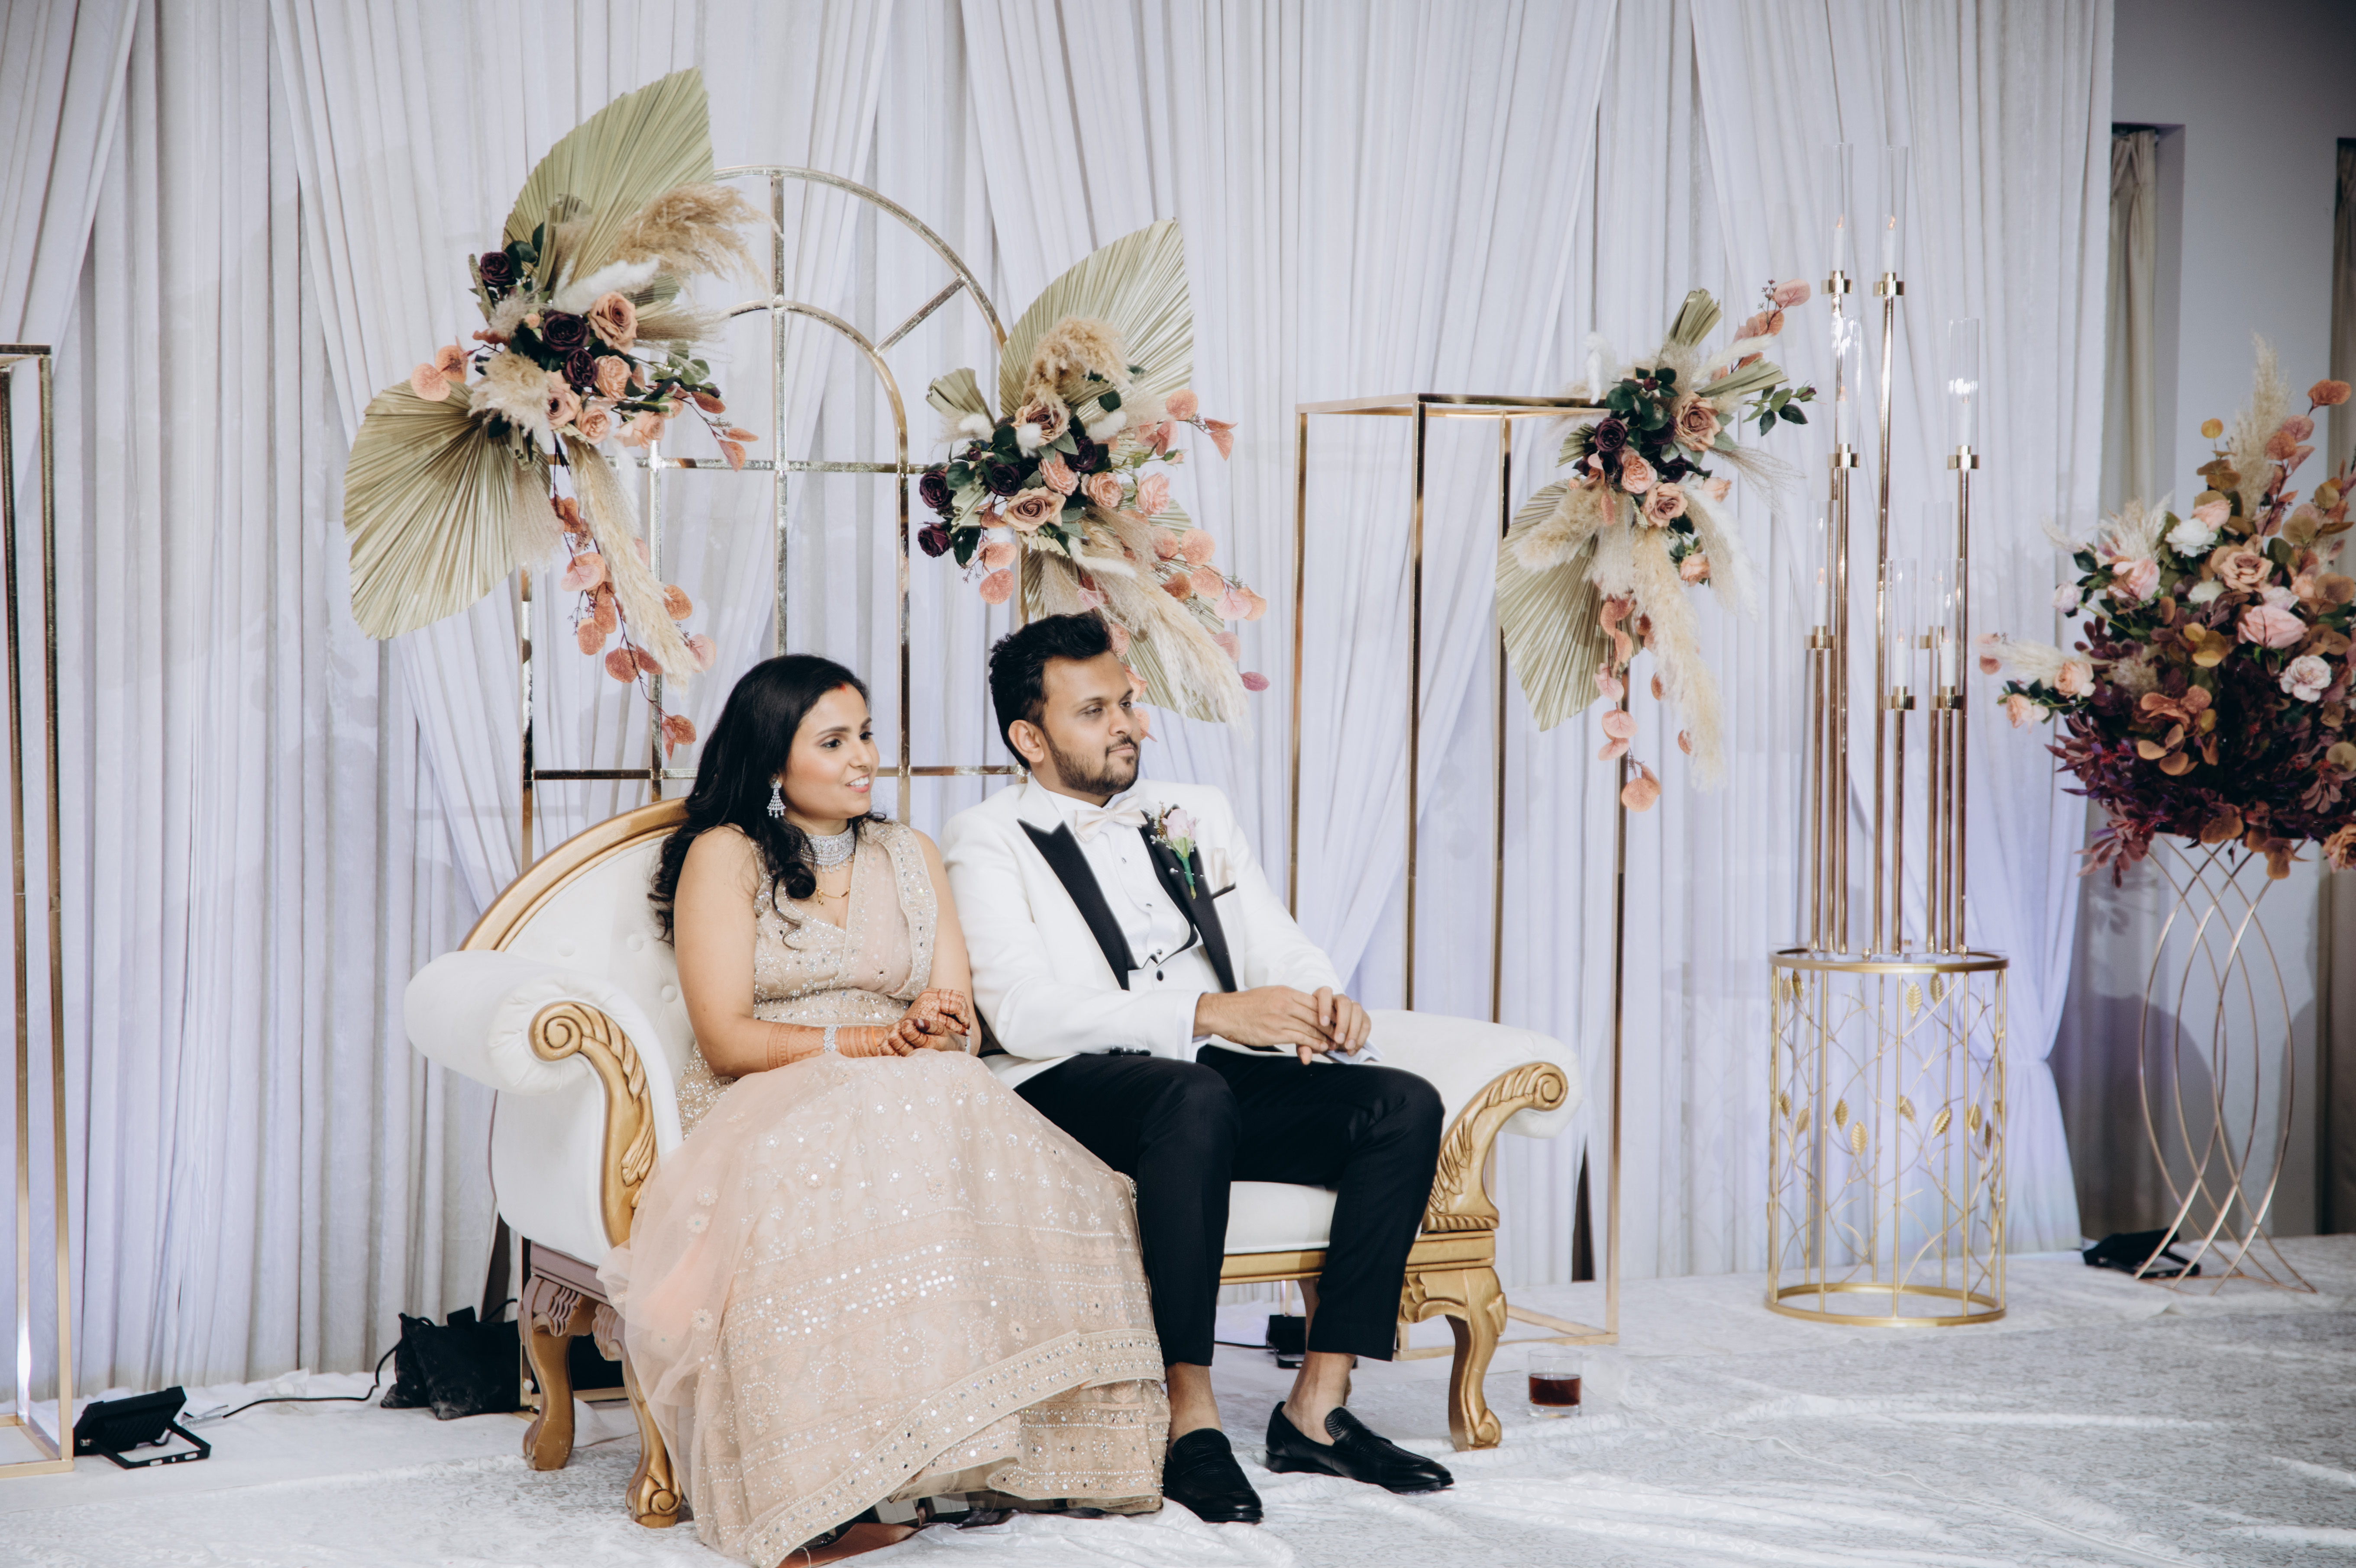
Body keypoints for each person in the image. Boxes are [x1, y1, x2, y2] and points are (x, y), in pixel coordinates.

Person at [600, 654, 1167, 1566]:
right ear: (773, 761)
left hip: (914, 1079)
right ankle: (827, 1486)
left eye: (864, 733)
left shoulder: (910, 852)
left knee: (1026, 1152)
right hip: (772, 1090)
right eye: (833, 741)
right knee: (867, 1143)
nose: (864, 756)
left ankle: (990, 1453)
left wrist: (937, 1026)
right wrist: (871, 1043)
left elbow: (956, 1015)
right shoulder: (726, 854)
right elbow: (726, 1039)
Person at [941, 613, 1454, 1526]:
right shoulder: (987, 836)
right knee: (1193, 1092)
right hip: (1071, 1082)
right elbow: (1018, 1008)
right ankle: (1190, 1418)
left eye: (1125, 702)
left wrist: (1319, 994)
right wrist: (1207, 1012)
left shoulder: (1194, 809)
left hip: (1206, 1079)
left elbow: (1271, 935)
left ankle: (1318, 1407)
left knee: (1399, 1102)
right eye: (1093, 711)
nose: (1125, 723)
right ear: (1030, 737)